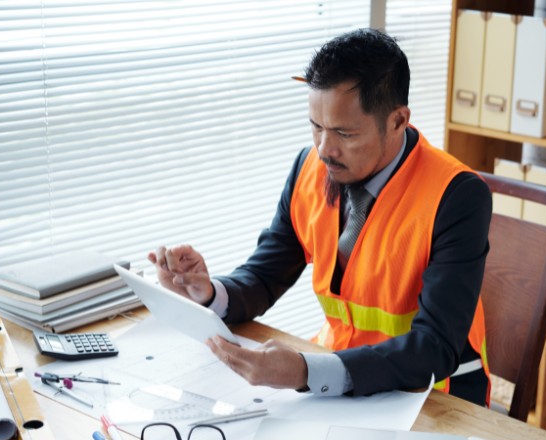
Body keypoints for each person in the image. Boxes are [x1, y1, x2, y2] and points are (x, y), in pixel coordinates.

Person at [149, 28, 492, 406]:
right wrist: (210, 292)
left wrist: (305, 372)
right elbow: (266, 273)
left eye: (344, 133)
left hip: (432, 396)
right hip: (340, 383)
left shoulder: (457, 196)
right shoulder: (308, 167)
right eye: (316, 127)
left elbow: (436, 346)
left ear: (398, 121)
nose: (325, 149)